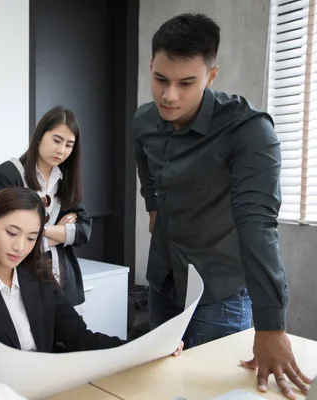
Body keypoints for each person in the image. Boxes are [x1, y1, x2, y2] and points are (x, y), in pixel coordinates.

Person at [133, 13, 313, 399]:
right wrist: (153, 206)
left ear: (211, 76)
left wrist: (271, 326)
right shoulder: (145, 119)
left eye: (186, 83)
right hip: (164, 277)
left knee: (215, 393)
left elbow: (258, 226)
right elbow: (144, 163)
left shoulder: (249, 131)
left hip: (221, 292)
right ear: (151, 66)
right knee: (163, 387)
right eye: (161, 79)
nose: (169, 96)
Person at [0, 186, 183, 378]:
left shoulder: (39, 278)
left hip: (45, 388)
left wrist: (149, 347)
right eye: (11, 233)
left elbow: (81, 338)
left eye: (32, 238)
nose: (20, 247)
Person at [0, 106, 90, 308]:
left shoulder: (66, 179)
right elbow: (10, 236)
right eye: (56, 140)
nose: (61, 150)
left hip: (63, 281)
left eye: (69, 145)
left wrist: (40, 233)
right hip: (22, 278)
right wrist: (59, 234)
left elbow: (83, 232)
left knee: (69, 337)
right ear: (39, 136)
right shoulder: (9, 174)